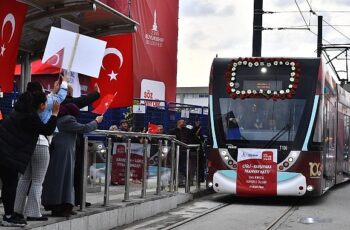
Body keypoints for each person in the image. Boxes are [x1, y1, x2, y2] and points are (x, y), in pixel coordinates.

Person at [14, 76, 69, 222]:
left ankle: (17, 210)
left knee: (24, 179)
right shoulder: (42, 105)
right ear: (41, 102)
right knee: (38, 180)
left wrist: (54, 90)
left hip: (26, 144)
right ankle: (33, 213)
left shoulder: (23, 105)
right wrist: (64, 83)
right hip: (41, 143)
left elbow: (51, 97)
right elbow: (60, 98)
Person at [0, 91, 59, 227]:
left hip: (5, 151)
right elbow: (47, 129)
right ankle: (9, 217)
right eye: (44, 104)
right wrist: (54, 114)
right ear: (40, 105)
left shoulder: (20, 111)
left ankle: (12, 213)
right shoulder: (30, 117)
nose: (45, 106)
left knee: (11, 184)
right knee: (10, 185)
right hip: (7, 153)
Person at [42, 103, 103, 217]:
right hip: (64, 154)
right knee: (65, 180)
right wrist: (96, 121)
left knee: (60, 179)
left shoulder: (60, 119)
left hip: (60, 153)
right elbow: (83, 128)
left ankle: (60, 206)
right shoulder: (68, 119)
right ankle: (62, 206)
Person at [61, 83, 101, 207]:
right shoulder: (65, 104)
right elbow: (82, 101)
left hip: (66, 145)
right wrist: (96, 94)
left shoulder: (58, 104)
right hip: (69, 146)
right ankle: (73, 200)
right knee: (75, 173)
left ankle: (73, 199)